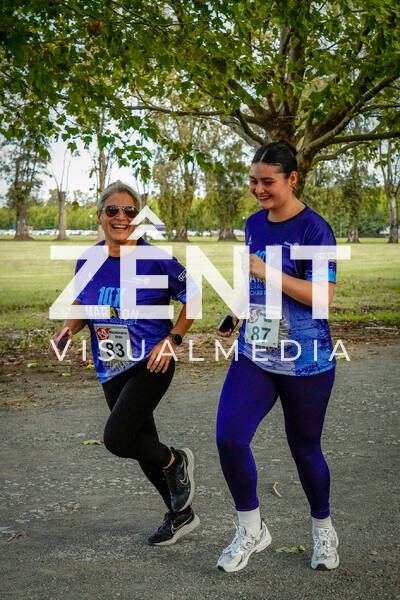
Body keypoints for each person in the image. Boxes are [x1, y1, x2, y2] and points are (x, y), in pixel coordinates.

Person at [51, 181, 200, 546]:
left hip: (152, 363)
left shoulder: (156, 259)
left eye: (130, 211)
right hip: (110, 366)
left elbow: (193, 297)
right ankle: (181, 515)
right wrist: (68, 330)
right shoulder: (88, 259)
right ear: (100, 216)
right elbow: (84, 304)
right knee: (141, 441)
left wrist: (173, 339)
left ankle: (176, 461)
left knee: (118, 438)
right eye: (113, 210)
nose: (121, 217)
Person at [216, 142, 339, 572]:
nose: (258, 189)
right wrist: (235, 313)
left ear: (292, 179)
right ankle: (251, 528)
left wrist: (266, 271)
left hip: (306, 360)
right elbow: (252, 283)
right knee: (229, 438)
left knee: (305, 449)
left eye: (267, 181)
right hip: (255, 352)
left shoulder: (315, 230)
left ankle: (323, 529)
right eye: (253, 181)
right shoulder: (254, 223)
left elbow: (322, 297)